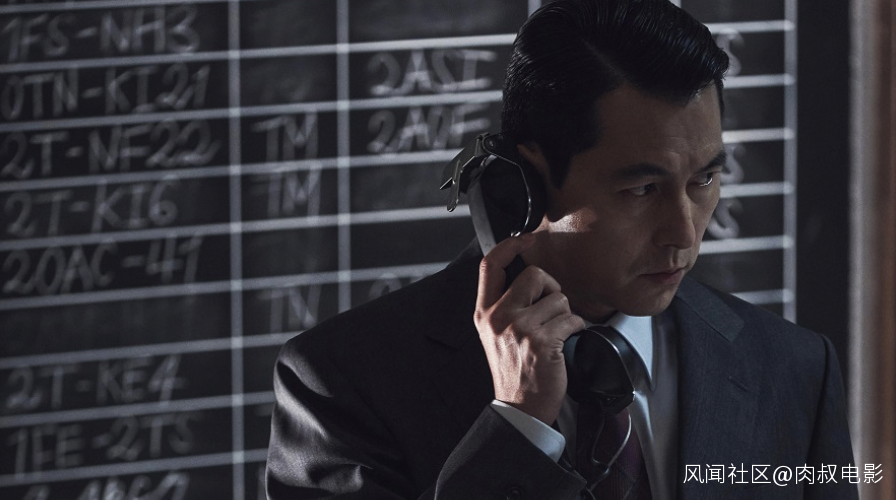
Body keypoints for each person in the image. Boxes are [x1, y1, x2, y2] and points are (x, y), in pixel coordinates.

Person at [265, 0, 858, 498]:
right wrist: (516, 428)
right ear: (519, 183)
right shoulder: (339, 385)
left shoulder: (794, 370)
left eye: (703, 179)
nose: (684, 234)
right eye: (642, 190)